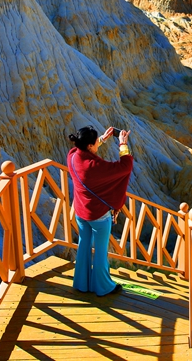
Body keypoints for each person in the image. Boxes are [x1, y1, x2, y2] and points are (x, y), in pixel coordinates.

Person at [67, 125, 133, 296]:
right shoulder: (94, 166)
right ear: (90, 145)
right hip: (98, 215)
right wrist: (123, 145)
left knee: (84, 246)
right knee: (101, 251)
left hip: (81, 212)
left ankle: (82, 284)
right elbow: (124, 167)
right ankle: (103, 287)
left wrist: (102, 139)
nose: (98, 143)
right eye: (96, 141)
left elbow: (83, 149)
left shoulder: (73, 157)